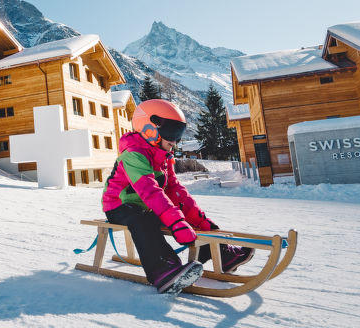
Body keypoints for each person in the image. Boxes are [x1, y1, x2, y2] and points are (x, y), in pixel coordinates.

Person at [101, 98, 253, 297]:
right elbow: (151, 191)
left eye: (178, 134)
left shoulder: (163, 156)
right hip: (120, 205)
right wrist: (177, 224)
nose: (174, 141)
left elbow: (175, 191)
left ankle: (221, 254)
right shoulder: (133, 154)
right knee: (144, 221)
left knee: (182, 217)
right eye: (171, 133)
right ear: (149, 128)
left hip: (145, 206)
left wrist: (198, 221)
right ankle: (163, 270)